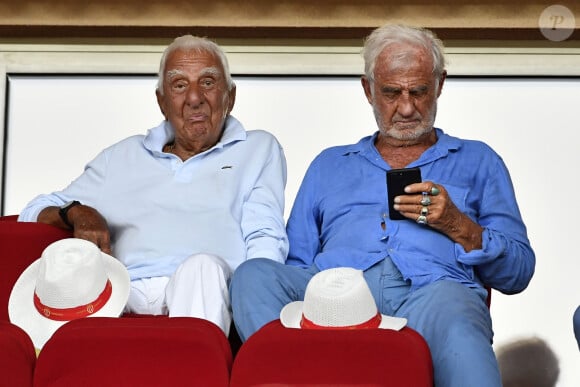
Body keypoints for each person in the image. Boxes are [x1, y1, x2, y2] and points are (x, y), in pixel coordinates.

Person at [230, 24, 535, 386]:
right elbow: (296, 264)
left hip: (432, 296)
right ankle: (297, 371)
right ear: (368, 90)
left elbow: (519, 273)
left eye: (419, 91)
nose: (406, 107)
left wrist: (457, 224)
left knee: (457, 316)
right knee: (252, 276)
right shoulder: (329, 165)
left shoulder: (478, 160)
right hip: (333, 298)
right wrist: (322, 294)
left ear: (439, 85)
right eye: (391, 92)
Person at [18, 35, 289, 336]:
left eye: (208, 82)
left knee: (202, 267)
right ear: (162, 102)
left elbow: (265, 236)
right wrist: (77, 212)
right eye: (179, 85)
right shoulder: (120, 156)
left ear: (231, 97)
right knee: (79, 279)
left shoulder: (258, 148)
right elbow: (32, 211)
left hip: (205, 288)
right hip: (124, 288)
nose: (195, 97)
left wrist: (258, 303)